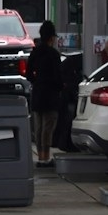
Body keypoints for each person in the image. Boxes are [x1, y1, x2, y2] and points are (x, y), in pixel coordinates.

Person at [27, 19, 65, 167]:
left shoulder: (35, 53)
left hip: (37, 94)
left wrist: (37, 81)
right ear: (51, 38)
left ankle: (41, 157)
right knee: (48, 128)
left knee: (39, 127)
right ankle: (45, 158)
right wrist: (61, 86)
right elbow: (58, 76)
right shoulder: (54, 55)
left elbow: (28, 74)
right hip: (51, 96)